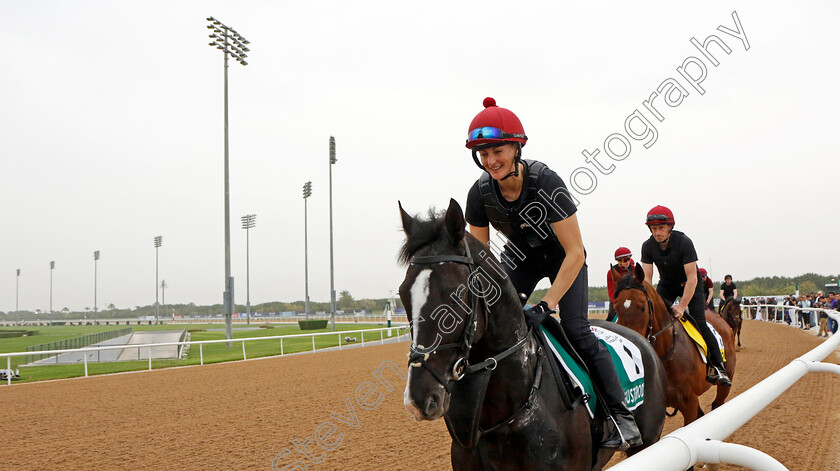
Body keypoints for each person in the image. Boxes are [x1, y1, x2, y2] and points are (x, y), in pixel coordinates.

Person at [463, 97, 642, 449]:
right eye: (483, 154)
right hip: (520, 259)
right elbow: (482, 260)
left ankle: (620, 416)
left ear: (517, 147)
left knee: (576, 331)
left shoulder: (547, 182)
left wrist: (546, 305)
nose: (491, 161)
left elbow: (576, 252)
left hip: (564, 259)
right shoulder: (478, 193)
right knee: (489, 326)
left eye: (497, 150)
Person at [639, 205, 731, 386]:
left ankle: (718, 366)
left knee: (699, 322)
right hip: (666, 285)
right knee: (652, 320)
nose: (657, 233)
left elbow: (691, 278)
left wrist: (682, 307)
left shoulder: (684, 242)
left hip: (690, 284)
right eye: (654, 229)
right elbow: (647, 280)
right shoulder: (647, 246)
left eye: (661, 228)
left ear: (670, 227)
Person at [606, 247, 635, 323]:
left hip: (634, 297)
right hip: (617, 298)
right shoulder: (611, 272)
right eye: (624, 260)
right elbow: (611, 291)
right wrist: (618, 303)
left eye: (629, 259)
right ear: (618, 261)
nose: (627, 262)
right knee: (611, 316)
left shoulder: (635, 269)